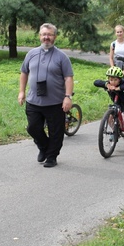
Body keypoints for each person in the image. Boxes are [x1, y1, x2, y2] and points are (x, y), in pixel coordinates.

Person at [18, 23, 74, 168]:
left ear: (54, 37)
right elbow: (24, 72)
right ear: (39, 36)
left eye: (49, 35)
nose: (46, 37)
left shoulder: (62, 57)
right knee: (32, 127)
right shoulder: (31, 54)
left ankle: (51, 156)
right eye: (43, 34)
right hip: (34, 100)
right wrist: (22, 92)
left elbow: (68, 77)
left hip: (55, 102)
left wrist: (67, 96)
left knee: (56, 131)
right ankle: (44, 147)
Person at [94, 66, 124, 153]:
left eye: (115, 80)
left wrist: (119, 88)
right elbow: (96, 82)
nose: (113, 82)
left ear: (120, 79)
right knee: (110, 117)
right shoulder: (109, 84)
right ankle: (116, 131)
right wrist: (106, 85)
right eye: (111, 79)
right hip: (118, 104)